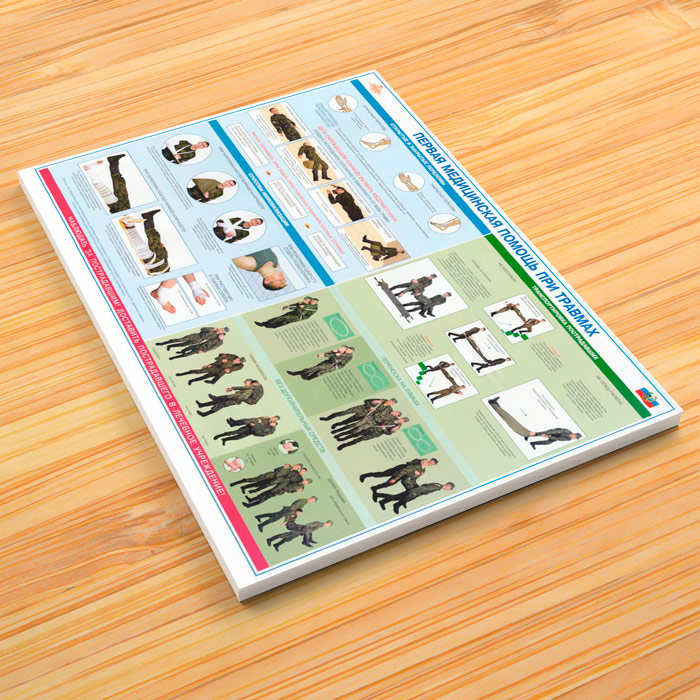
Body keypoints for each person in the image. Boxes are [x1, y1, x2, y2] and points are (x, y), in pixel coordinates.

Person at [488, 397, 582, 449]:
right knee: (510, 419)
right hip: (544, 432)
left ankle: (494, 405)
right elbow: (552, 432)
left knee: (547, 442)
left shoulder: (568, 439)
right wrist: (537, 434)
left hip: (545, 435)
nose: (574, 438)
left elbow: (558, 438)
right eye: (575, 437)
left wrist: (546, 436)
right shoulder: (566, 431)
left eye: (575, 438)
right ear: (574, 434)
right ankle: (494, 404)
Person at [118, 210, 169, 275]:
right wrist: (164, 252)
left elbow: (140, 247)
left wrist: (130, 227)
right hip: (162, 263)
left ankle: (130, 225)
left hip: (157, 266)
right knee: (154, 238)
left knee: (142, 248)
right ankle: (148, 217)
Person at [360, 458, 438, 497]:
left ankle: (375, 488)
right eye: (431, 462)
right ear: (430, 460)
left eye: (433, 464)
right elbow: (407, 466)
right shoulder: (419, 461)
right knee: (382, 474)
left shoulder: (423, 470)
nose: (431, 464)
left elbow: (413, 477)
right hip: (399, 470)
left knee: (390, 483)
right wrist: (417, 467)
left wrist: (415, 483)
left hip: (403, 475)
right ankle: (364, 475)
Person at [375, 482, 455, 514]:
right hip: (415, 492)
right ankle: (396, 505)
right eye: (450, 488)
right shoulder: (437, 487)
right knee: (397, 498)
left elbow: (425, 485)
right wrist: (414, 493)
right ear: (448, 486)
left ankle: (381, 499)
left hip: (415, 491)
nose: (448, 489)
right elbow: (424, 488)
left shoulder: (438, 485)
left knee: (395, 497)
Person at [336, 416, 409, 451]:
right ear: (401, 417)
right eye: (402, 419)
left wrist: (384, 429)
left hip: (375, 433)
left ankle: (344, 445)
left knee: (359, 439)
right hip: (372, 427)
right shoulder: (392, 418)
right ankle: (342, 438)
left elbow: (389, 433)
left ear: (403, 422)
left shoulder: (397, 426)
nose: (402, 420)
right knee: (355, 434)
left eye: (403, 421)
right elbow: (381, 419)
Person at [195, 379, 264, 416]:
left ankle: (204, 413)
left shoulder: (252, 388)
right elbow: (242, 389)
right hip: (238, 398)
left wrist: (231, 392)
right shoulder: (253, 388)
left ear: (251, 383)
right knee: (218, 401)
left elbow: (242, 397)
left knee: (220, 404)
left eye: (246, 383)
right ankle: (202, 405)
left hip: (236, 400)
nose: (244, 384)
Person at [286, 346, 355, 380]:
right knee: (315, 368)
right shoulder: (342, 352)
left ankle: (304, 376)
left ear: (351, 352)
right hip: (328, 362)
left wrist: (335, 355)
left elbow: (339, 362)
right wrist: (325, 354)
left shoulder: (348, 356)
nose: (347, 351)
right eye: (347, 349)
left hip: (333, 366)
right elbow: (331, 354)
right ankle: (299, 373)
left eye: (349, 351)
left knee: (318, 372)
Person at [156, 326, 229, 359]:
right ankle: (162, 343)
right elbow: (202, 329)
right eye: (222, 329)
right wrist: (212, 329)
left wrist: (220, 339)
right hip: (196, 336)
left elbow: (213, 344)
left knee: (182, 345)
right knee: (179, 340)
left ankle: (170, 346)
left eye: (223, 331)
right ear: (221, 328)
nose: (221, 331)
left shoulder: (217, 337)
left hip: (198, 341)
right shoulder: (213, 329)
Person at [254, 496, 318, 532]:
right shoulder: (302, 501)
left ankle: (258, 516)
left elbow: (296, 508)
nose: (312, 502)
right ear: (311, 498)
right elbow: (293, 508)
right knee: (274, 518)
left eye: (313, 502)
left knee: (273, 514)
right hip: (287, 511)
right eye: (312, 501)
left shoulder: (304, 502)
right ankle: (261, 525)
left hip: (288, 510)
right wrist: (286, 520)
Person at [175, 353, 245, 385]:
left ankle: (191, 380)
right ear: (238, 358)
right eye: (238, 360)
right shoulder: (231, 357)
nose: (238, 361)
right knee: (198, 371)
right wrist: (210, 365)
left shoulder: (240, 366)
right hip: (215, 367)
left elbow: (233, 370)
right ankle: (182, 374)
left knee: (203, 377)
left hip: (219, 372)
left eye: (240, 361)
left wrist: (229, 370)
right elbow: (218, 359)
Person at [242, 478, 312, 508]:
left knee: (265, 498)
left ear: (307, 484)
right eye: (306, 480)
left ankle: (249, 505)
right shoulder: (298, 481)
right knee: (264, 493)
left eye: (307, 482)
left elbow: (290, 490)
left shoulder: (301, 487)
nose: (305, 481)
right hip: (278, 487)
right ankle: (251, 499)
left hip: (280, 490)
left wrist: (296, 491)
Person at [266, 520, 332, 551]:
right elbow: (308, 525)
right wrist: (304, 530)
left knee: (289, 539)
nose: (328, 526)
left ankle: (276, 545)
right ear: (327, 523)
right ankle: (270, 539)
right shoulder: (319, 523)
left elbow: (310, 530)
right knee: (285, 535)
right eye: (329, 525)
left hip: (301, 532)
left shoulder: (321, 525)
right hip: (300, 529)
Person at [254, 297, 319, 329]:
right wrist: (288, 306)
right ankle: (264, 324)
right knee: (280, 318)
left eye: (313, 302)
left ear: (316, 303)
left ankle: (268, 325)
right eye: (311, 301)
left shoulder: (311, 308)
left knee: (283, 321)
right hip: (294, 313)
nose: (304, 300)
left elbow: (300, 313)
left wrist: (300, 307)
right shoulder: (307, 304)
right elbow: (296, 305)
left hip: (298, 317)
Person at [213, 415, 280, 445]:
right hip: (248, 428)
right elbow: (256, 419)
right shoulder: (265, 418)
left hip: (250, 432)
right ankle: (219, 435)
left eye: (275, 420)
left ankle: (225, 439)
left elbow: (262, 431)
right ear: (272, 417)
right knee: (234, 432)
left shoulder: (269, 427)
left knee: (237, 438)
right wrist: (252, 423)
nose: (273, 420)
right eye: (274, 418)